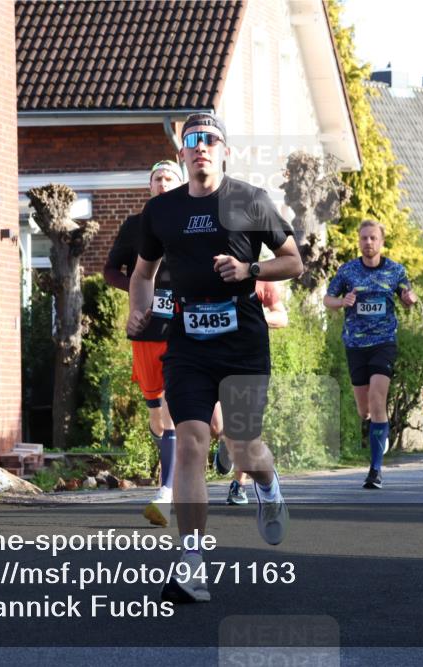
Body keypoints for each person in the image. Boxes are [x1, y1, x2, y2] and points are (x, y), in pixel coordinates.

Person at [127, 112, 302, 603]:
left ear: (225, 151)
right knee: (190, 441)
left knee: (244, 447)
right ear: (182, 153)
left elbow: (294, 261)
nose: (201, 146)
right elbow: (142, 275)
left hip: (242, 338)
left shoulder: (250, 199)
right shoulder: (161, 211)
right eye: (193, 140)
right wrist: (138, 312)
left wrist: (250, 269)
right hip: (187, 340)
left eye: (210, 139)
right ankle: (191, 563)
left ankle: (268, 486)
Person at [104, 159, 183, 528]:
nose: (162, 183)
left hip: (183, 327)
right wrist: (139, 294)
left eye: (169, 178)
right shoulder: (135, 226)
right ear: (149, 186)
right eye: (157, 178)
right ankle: (170, 457)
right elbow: (110, 271)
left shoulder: (192, 222)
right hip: (147, 329)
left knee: (171, 411)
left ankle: (165, 492)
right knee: (157, 413)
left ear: (180, 184)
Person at [324, 220, 417, 489]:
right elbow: (327, 299)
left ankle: (375, 470)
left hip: (383, 342)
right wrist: (342, 301)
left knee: (378, 398)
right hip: (355, 344)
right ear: (359, 241)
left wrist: (409, 299)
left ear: (381, 242)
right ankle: (379, 428)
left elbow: (407, 295)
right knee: (364, 410)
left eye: (373, 238)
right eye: (364, 238)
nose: (368, 242)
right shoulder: (348, 271)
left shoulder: (395, 270)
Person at [214, 279, 289, 505]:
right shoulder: (203, 273)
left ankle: (239, 485)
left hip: (245, 360)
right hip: (208, 358)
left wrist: (255, 316)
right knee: (216, 427)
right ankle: (226, 440)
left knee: (243, 431)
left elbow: (282, 316)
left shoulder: (259, 278)